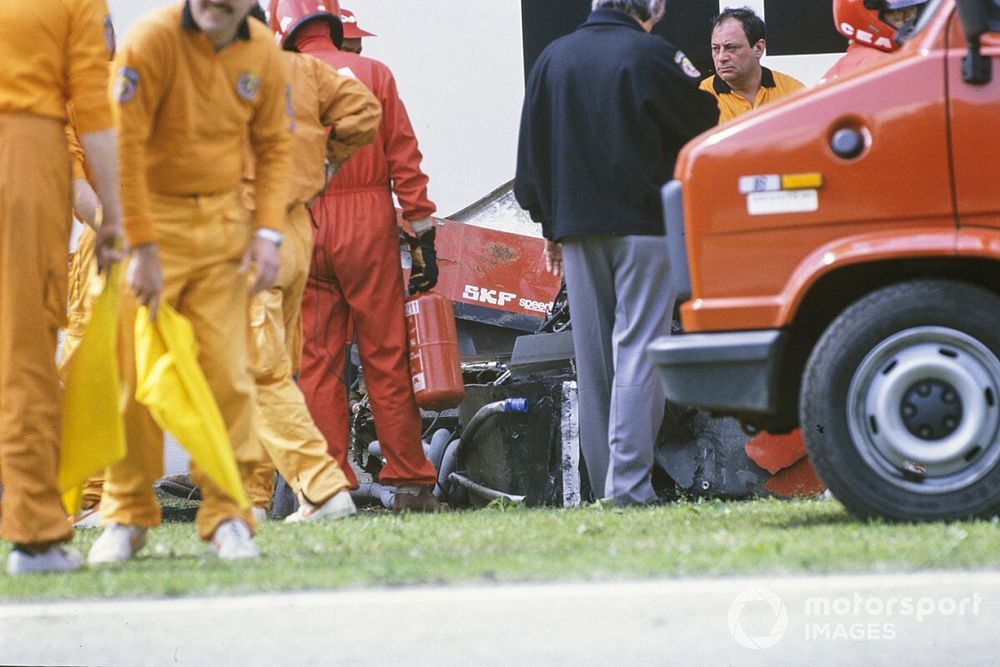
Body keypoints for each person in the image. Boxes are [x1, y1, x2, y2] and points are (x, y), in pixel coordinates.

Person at [88, 0, 292, 564]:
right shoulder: (150, 39)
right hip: (151, 223)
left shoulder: (265, 52)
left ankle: (228, 513)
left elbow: (276, 145)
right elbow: (121, 143)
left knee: (229, 376)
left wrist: (269, 234)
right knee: (134, 377)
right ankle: (127, 514)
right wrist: (142, 246)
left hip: (224, 230)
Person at [514, 0, 718, 506]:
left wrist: (548, 224)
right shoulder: (654, 56)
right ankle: (627, 488)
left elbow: (530, 152)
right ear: (651, 8)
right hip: (643, 225)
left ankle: (608, 483)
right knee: (639, 353)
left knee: (594, 362)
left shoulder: (552, 59)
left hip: (577, 230)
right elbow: (703, 120)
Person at [268, 0, 442, 512]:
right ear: (332, 24)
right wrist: (421, 232)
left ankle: (328, 490)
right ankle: (410, 482)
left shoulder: (270, 80)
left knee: (317, 363)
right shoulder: (375, 73)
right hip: (367, 219)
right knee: (385, 354)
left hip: (304, 221)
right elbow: (404, 158)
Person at [242, 6, 382, 522]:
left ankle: (316, 489)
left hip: (249, 233)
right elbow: (365, 113)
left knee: (262, 370)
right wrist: (327, 162)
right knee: (277, 367)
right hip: (300, 227)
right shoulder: (307, 73)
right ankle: (255, 499)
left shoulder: (220, 76)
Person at [0, 0, 123, 575]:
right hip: (23, 147)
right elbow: (94, 112)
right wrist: (121, 218)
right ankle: (35, 535)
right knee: (26, 352)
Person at [699, 7, 804, 123]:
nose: (721, 58)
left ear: (758, 48)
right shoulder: (698, 99)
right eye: (716, 48)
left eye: (731, 48)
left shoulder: (793, 93)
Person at [821, 0, 929, 82]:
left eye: (914, 8)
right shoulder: (881, 65)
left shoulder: (849, 64)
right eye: (900, 12)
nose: (912, 18)